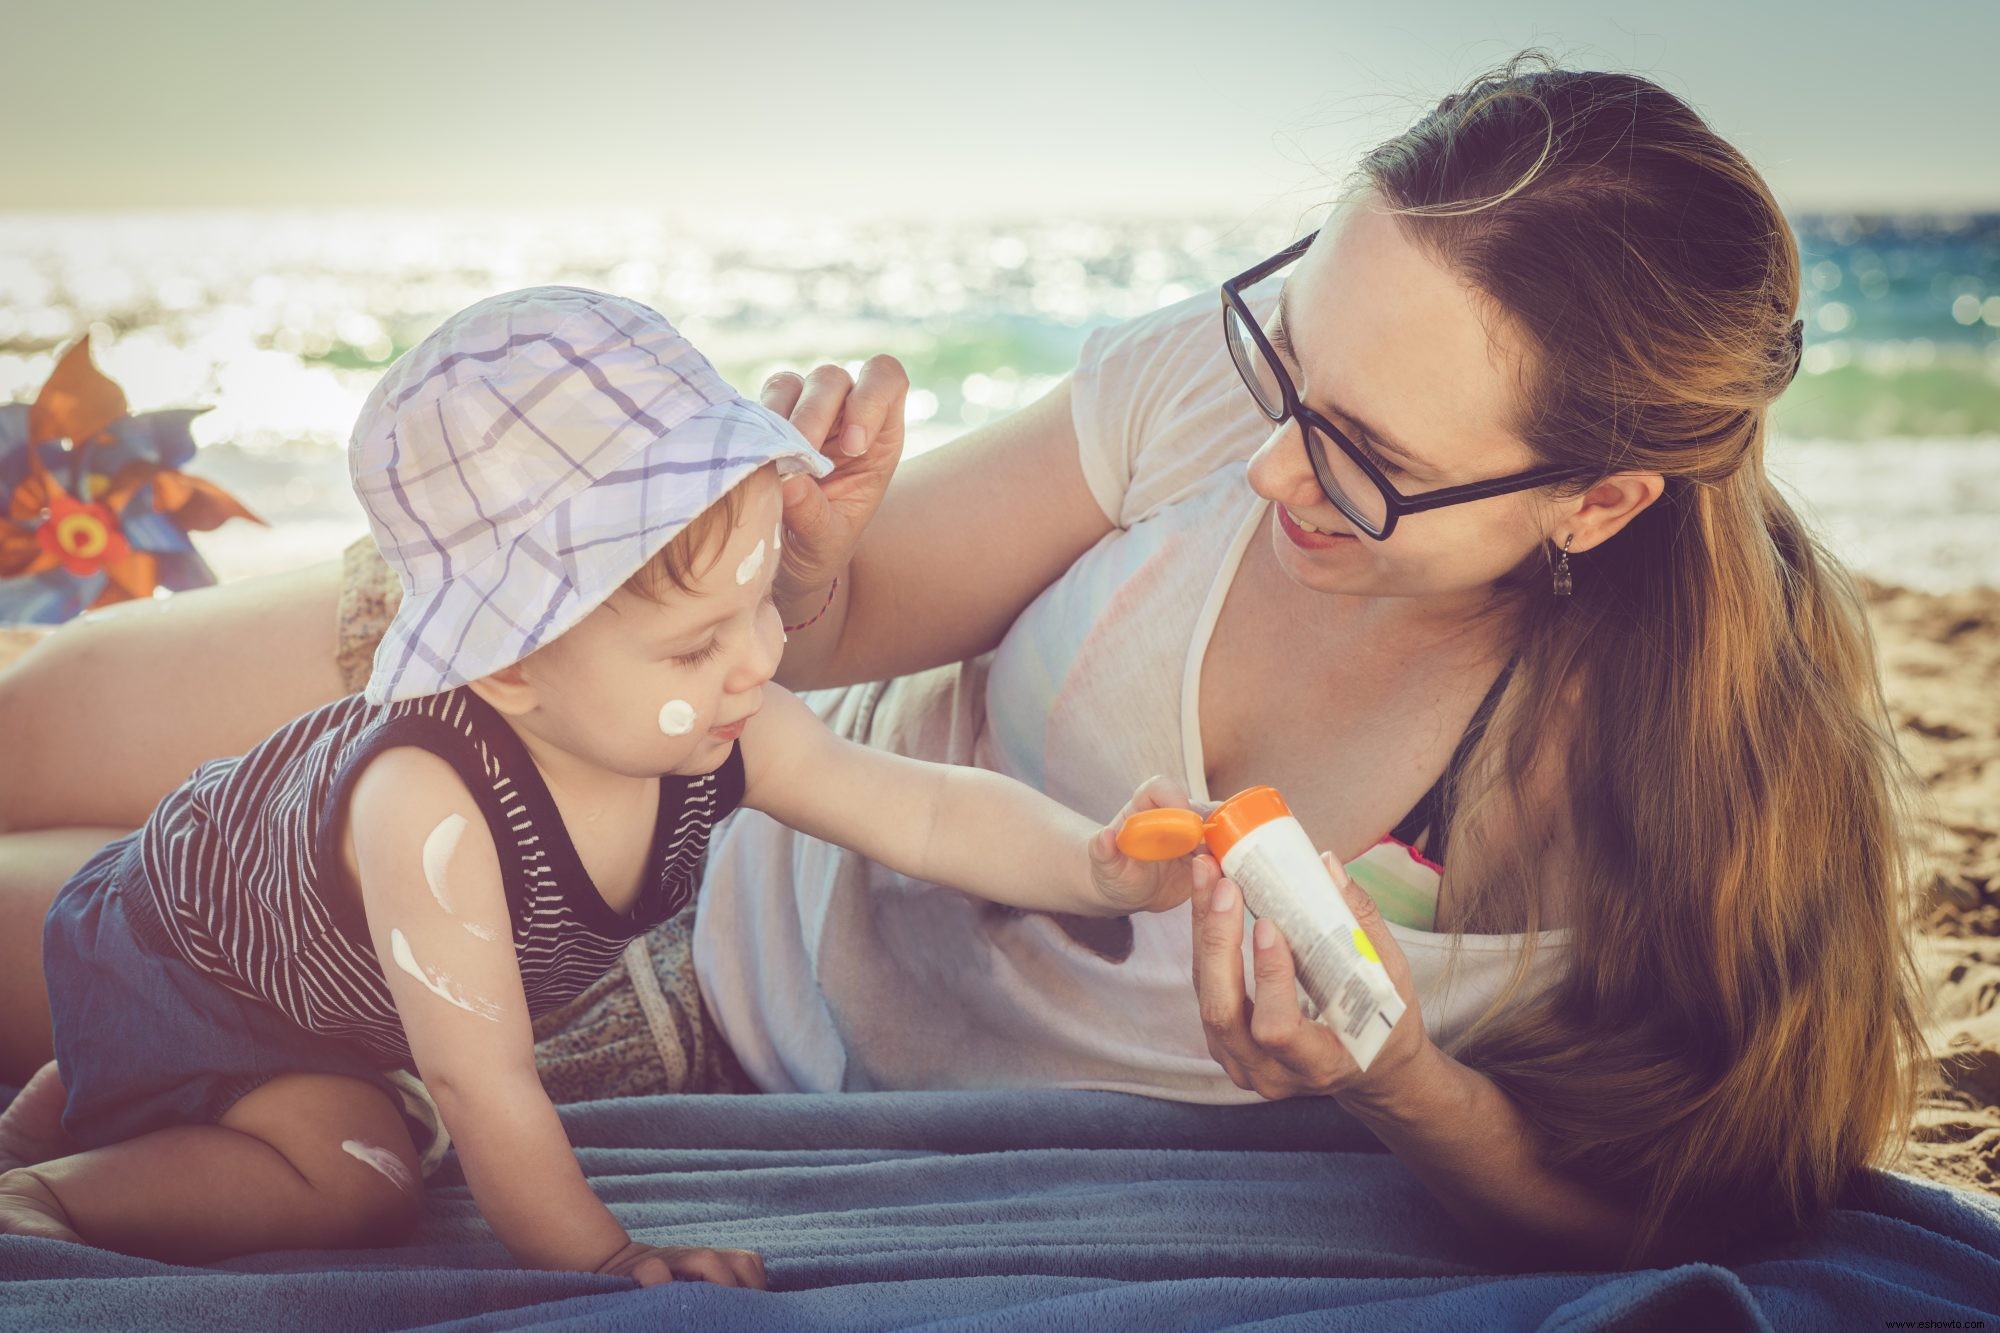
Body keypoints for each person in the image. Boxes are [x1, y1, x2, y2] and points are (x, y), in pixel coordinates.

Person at [0, 53, 1926, 1268]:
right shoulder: (1237, 391)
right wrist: (817, 564)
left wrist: (1412, 1088)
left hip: (661, 976)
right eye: (1289, 366)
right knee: (32, 717)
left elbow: (1704, 1189)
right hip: (665, 704)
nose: (1270, 460)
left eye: (1366, 462)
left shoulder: (1687, 783)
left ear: (1593, 506)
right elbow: (834, 642)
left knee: (64, 950)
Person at [0, 288, 1193, 1282]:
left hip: (312, 992)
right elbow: (482, 1080)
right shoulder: (434, 809)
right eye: (693, 644)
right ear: (511, 664)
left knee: (351, 1132)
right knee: (357, 1183)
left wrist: (1092, 863)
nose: (758, 659)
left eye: (758, 602)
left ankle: (67, 1107)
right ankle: (52, 1189)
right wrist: (607, 1261)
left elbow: (918, 809)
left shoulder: (716, 727)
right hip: (188, 970)